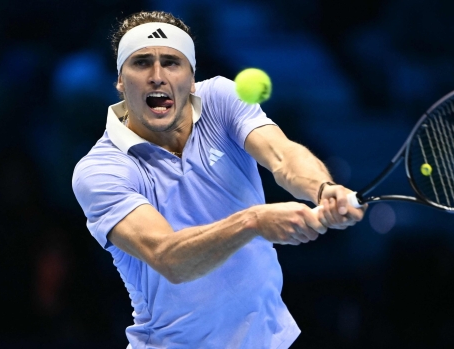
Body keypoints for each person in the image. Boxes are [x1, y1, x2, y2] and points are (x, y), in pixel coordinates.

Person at [72, 10, 365, 349]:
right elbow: (168, 257)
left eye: (171, 62)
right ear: (120, 81)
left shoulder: (222, 99)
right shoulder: (100, 170)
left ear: (192, 78)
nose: (157, 76)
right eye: (141, 63)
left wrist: (323, 189)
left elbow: (282, 155)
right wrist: (253, 221)